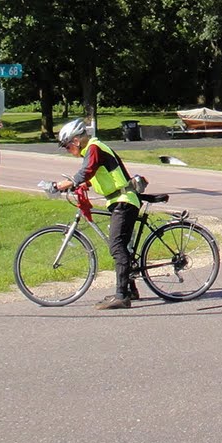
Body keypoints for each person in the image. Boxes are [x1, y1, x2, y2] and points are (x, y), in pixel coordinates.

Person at [53, 117, 142, 310]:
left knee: (116, 246)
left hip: (124, 201)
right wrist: (84, 184)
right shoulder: (92, 150)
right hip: (118, 200)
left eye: (67, 146)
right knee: (122, 246)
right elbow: (98, 173)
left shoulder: (94, 147)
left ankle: (122, 297)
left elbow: (86, 171)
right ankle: (130, 290)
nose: (68, 150)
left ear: (76, 140)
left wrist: (63, 185)